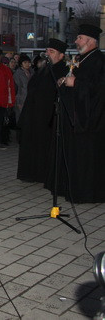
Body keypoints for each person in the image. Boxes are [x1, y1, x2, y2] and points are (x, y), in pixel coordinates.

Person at [50, 24, 105, 203]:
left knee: (87, 159)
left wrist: (75, 84)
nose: (76, 41)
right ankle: (72, 188)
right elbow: (76, 79)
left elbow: (99, 89)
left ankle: (87, 193)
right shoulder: (82, 59)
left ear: (89, 41)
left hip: (91, 122)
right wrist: (65, 80)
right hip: (77, 118)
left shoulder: (99, 60)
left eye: (79, 38)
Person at [17, 39, 68, 183]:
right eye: (47, 51)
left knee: (44, 147)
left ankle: (43, 174)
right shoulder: (44, 68)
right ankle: (30, 174)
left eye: (51, 52)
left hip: (48, 117)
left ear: (61, 55)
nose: (47, 54)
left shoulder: (62, 70)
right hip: (33, 114)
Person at [13, 54, 33, 125]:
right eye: (25, 62)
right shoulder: (18, 73)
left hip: (31, 99)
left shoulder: (32, 72)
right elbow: (17, 89)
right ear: (21, 64)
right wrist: (18, 102)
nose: (27, 64)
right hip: (21, 99)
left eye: (28, 62)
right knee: (21, 119)